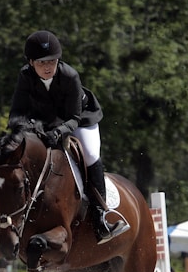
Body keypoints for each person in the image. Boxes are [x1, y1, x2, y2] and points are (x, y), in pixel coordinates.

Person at [9, 30, 129, 244]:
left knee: (91, 154)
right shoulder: (25, 76)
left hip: (80, 120)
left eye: (52, 61)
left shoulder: (69, 76)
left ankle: (101, 216)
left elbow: (73, 118)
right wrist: (22, 129)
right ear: (30, 62)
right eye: (41, 62)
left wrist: (57, 132)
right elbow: (17, 113)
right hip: (46, 121)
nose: (47, 67)